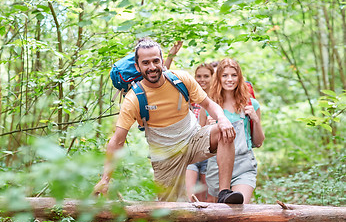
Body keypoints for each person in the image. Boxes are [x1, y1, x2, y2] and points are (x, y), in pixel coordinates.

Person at [94, 38, 244, 203]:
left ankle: (224, 193)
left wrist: (222, 119)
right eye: (146, 63)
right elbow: (117, 140)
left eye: (156, 61)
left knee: (225, 130)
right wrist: (105, 179)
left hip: (193, 140)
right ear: (137, 66)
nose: (152, 67)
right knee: (173, 215)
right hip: (165, 157)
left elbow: (208, 104)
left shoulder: (180, 80)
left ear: (162, 61)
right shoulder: (134, 99)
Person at [199, 58, 265, 204]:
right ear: (218, 78)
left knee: (238, 209)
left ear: (239, 77)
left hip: (244, 165)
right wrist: (208, 129)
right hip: (216, 167)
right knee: (220, 216)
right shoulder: (208, 107)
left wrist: (255, 119)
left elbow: (259, 142)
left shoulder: (250, 104)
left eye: (234, 75)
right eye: (225, 75)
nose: (230, 79)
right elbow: (202, 147)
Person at [186, 63, 214, 202]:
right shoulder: (189, 98)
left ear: (213, 78)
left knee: (206, 198)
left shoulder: (216, 102)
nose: (202, 79)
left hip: (209, 153)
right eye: (199, 76)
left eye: (206, 76)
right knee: (190, 195)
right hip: (191, 151)